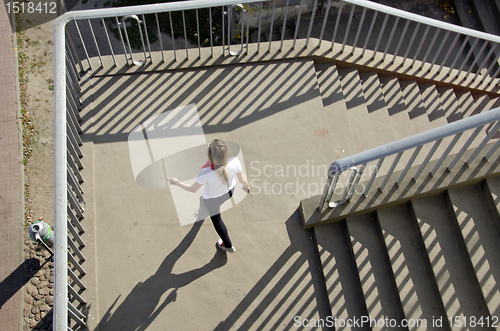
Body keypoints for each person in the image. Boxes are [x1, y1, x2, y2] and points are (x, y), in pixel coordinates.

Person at [167, 139, 250, 253]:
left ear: (210, 157)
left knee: (216, 220)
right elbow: (242, 179)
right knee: (210, 207)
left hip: (211, 199)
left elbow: (192, 189)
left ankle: (228, 245)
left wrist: (177, 183)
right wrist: (246, 186)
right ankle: (225, 242)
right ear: (227, 154)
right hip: (229, 193)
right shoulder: (235, 161)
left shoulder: (205, 173)